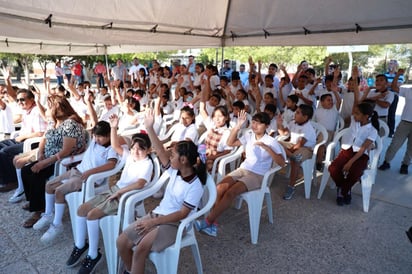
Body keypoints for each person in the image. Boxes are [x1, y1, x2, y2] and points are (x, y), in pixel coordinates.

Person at [116, 109, 206, 274]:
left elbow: (182, 214)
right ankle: (130, 271)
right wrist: (149, 128)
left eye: (173, 156)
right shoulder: (174, 171)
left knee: (140, 249)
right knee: (122, 242)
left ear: (183, 160)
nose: (169, 158)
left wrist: (153, 222)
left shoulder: (195, 185)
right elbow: (159, 150)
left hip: (174, 224)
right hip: (157, 215)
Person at [64, 115, 153, 273]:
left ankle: (93, 255)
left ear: (148, 150)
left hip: (126, 197)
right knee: (82, 209)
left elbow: (140, 184)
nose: (136, 151)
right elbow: (115, 145)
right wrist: (113, 127)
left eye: (141, 149)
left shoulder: (147, 164)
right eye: (133, 148)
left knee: (92, 215)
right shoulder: (130, 156)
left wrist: (119, 192)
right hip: (116, 191)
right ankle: (80, 245)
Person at [195, 111, 286, 237]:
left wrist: (268, 149)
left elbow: (282, 163)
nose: (255, 125)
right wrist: (237, 126)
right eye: (253, 122)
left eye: (259, 123)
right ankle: (213, 223)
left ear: (266, 126)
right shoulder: (249, 135)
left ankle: (208, 221)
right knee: (220, 188)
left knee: (231, 192)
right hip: (243, 169)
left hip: (257, 175)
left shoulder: (271, 141)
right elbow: (230, 143)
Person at [31, 120, 119, 233]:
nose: (96, 139)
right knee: (49, 185)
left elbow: (111, 164)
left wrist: (91, 172)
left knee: (59, 191)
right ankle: (48, 214)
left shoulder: (110, 149)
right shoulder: (94, 142)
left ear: (108, 136)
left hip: (87, 178)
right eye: (95, 136)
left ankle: (57, 224)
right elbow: (86, 133)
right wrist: (80, 148)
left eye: (100, 137)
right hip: (76, 171)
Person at [21, 95, 85, 228]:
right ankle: (35, 201)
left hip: (61, 161)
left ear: (56, 108)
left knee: (36, 174)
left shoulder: (70, 124)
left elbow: (66, 151)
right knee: (25, 170)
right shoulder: (53, 122)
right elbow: (44, 139)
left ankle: (39, 210)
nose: (45, 110)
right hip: (48, 157)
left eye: (48, 107)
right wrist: (40, 153)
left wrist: (44, 163)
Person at [328, 101, 379, 206]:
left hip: (360, 155)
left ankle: (342, 191)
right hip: (347, 150)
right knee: (333, 168)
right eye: (354, 113)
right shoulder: (353, 121)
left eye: (357, 113)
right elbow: (356, 101)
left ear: (366, 116)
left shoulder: (372, 131)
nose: (354, 115)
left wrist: (350, 162)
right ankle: (344, 188)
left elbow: (363, 148)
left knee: (355, 172)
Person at [0, 89, 47, 192]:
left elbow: (41, 133)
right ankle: (2, 177)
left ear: (31, 99)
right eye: (18, 100)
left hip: (31, 142)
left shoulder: (37, 111)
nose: (19, 102)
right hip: (21, 138)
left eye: (22, 99)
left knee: (5, 152)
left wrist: (22, 137)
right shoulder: (26, 111)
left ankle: (11, 181)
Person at [277, 104, 316, 200]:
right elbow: (284, 134)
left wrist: (285, 151)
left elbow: (299, 145)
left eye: (298, 113)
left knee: (296, 160)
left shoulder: (308, 128)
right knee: (274, 144)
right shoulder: (293, 122)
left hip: (306, 149)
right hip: (292, 145)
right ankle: (265, 177)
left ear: (305, 117)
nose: (295, 114)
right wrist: (279, 124)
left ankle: (291, 187)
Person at [379, 69, 411, 175]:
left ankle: (405, 165)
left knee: (411, 148)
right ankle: (387, 162)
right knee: (395, 144)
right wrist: (397, 75)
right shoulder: (408, 90)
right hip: (405, 122)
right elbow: (393, 87)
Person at [385, 59, 404, 137]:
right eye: (390, 63)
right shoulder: (385, 74)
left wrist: (389, 84)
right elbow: (384, 84)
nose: (390, 65)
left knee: (391, 114)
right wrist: (392, 83)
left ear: (396, 65)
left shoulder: (400, 75)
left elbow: (397, 85)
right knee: (384, 113)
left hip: (394, 95)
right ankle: (384, 129)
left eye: (392, 64)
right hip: (385, 95)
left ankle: (390, 131)